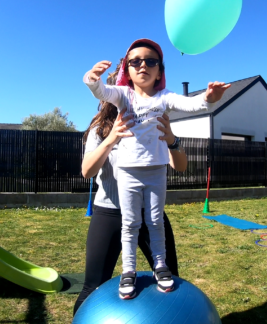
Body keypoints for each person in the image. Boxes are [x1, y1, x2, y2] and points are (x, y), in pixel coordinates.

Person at [83, 39, 230, 299]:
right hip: (112, 203)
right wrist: (93, 81)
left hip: (156, 172)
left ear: (160, 71)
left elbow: (192, 104)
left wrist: (209, 99)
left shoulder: (164, 99)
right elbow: (102, 92)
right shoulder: (121, 98)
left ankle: (160, 267)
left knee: (155, 221)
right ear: (125, 72)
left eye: (151, 61)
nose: (143, 66)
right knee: (127, 228)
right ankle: (128, 271)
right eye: (135, 61)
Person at [73, 63, 187, 314]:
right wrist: (112, 137)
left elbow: (180, 166)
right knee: (92, 287)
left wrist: (172, 140)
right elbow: (87, 171)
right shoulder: (99, 130)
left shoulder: (152, 122)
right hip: (110, 213)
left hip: (150, 215)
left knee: (171, 280)